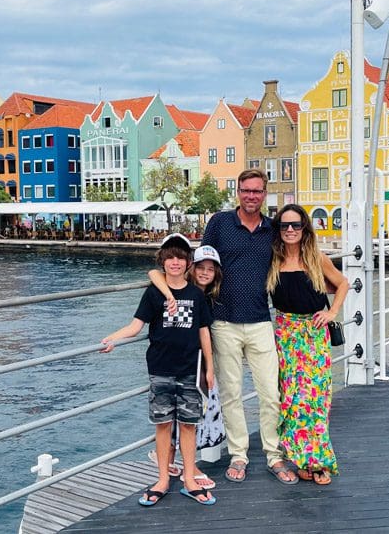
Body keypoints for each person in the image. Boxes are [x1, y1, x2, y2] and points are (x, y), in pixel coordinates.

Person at [101, 233, 217, 506]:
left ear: (188, 262)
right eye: (170, 257)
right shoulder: (153, 293)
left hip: (190, 369)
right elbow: (135, 326)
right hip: (160, 370)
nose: (175, 262)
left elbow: (204, 334)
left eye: (181, 257)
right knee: (163, 426)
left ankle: (189, 479)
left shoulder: (195, 295)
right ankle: (163, 478)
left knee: (189, 426)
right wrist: (112, 339)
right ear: (162, 261)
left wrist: (209, 369)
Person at [201, 169, 297, 485]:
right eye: (246, 190)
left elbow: (295, 259)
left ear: (264, 193)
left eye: (257, 191)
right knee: (231, 393)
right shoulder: (219, 223)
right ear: (238, 191)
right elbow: (203, 266)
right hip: (223, 321)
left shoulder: (273, 229)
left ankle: (273, 454)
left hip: (260, 321)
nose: (251, 196)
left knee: (271, 393)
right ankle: (239, 454)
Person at [267, 204, 348, 485]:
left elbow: (342, 283)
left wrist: (332, 312)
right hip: (286, 334)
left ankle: (318, 461)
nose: (290, 230)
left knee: (315, 399)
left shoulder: (316, 258)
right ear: (278, 230)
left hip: (313, 334)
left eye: (296, 225)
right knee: (292, 399)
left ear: (304, 229)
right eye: (284, 225)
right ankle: (301, 459)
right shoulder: (273, 260)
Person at [147, 243, 226, 490]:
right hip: (175, 363)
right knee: (171, 417)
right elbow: (154, 273)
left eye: (210, 270)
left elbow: (203, 332)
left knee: (194, 415)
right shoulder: (180, 289)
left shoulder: (204, 296)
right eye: (200, 267)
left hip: (196, 363)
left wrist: (209, 368)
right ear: (191, 267)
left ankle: (185, 467)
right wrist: (170, 295)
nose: (204, 273)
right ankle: (173, 463)